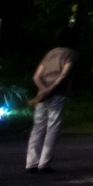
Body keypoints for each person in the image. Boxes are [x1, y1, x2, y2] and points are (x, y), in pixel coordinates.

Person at [26, 41, 75, 173]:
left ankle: (31, 163)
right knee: (52, 127)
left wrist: (43, 89)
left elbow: (36, 76)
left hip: (41, 95)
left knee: (38, 127)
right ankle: (44, 164)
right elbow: (64, 74)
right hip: (58, 94)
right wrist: (51, 88)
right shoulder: (70, 54)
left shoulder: (49, 54)